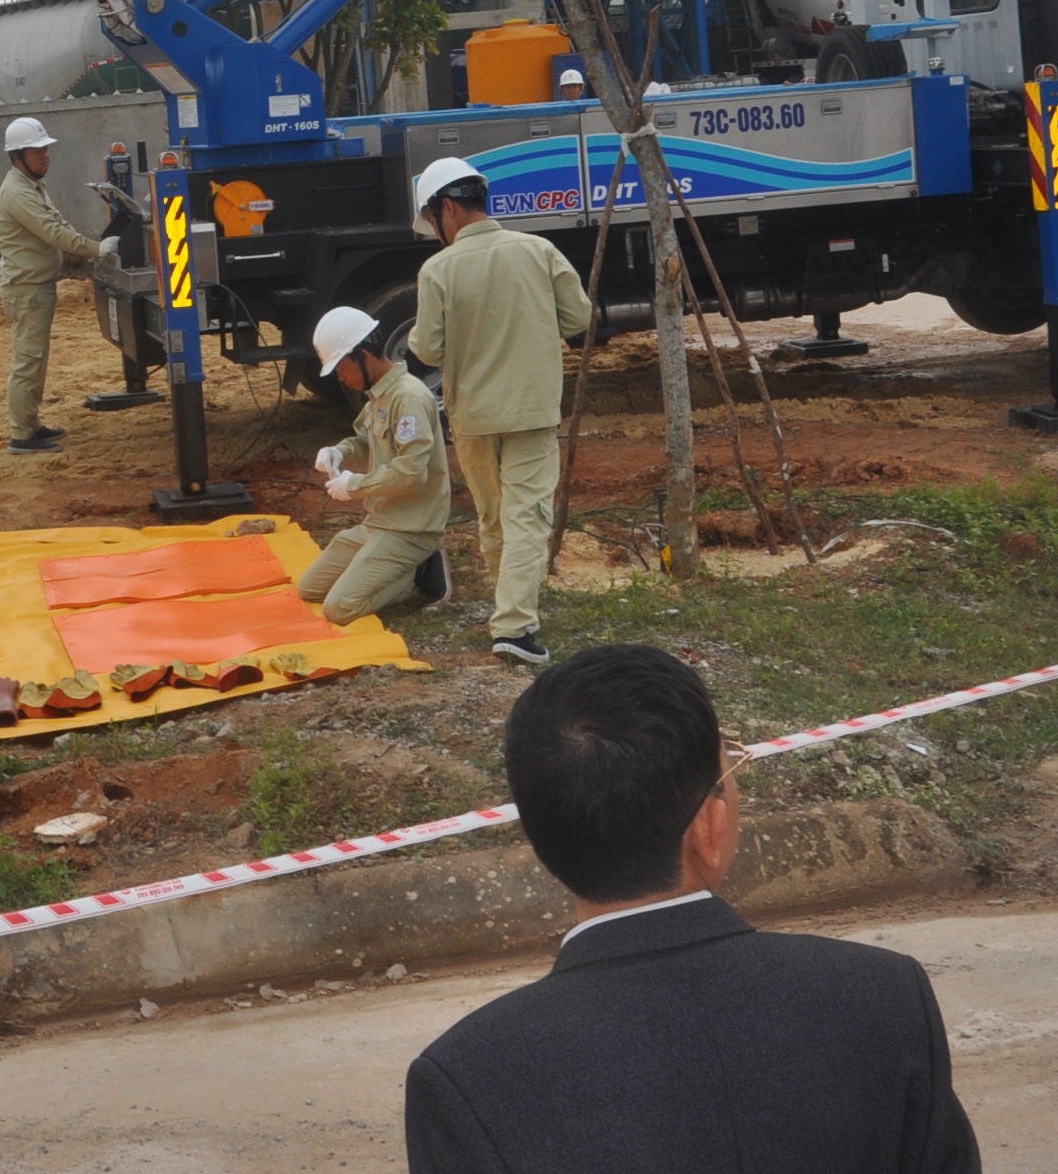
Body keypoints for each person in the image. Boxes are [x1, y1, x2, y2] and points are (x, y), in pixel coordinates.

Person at [405, 644, 980, 1173]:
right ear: (708, 827)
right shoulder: (881, 997)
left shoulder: (467, 1077)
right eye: (730, 774)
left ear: (538, 833)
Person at [407, 155, 592, 667]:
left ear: (447, 207)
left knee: (493, 516)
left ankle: (507, 610)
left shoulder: (437, 269)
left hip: (472, 415)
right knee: (527, 516)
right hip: (531, 410)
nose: (433, 230)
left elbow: (425, 348)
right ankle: (514, 624)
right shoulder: (539, 251)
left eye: (431, 219)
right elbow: (579, 317)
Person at [296, 305, 452, 622]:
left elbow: (411, 472)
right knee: (309, 589)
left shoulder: (407, 397)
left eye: (342, 366)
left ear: (364, 354)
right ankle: (393, 565)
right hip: (379, 522)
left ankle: (417, 571)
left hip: (410, 528)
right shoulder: (379, 394)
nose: (340, 376)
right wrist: (338, 451)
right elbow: (366, 440)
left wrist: (354, 485)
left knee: (339, 608)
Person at [0, 115, 117, 455]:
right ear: (18, 157)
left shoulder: (31, 186)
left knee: (35, 358)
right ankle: (21, 434)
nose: (46, 156)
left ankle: (30, 424)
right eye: (37, 151)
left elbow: (57, 221)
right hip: (26, 289)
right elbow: (54, 232)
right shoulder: (18, 193)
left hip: (35, 287)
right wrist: (95, 249)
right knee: (28, 361)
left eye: (46, 150)